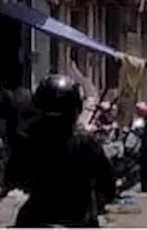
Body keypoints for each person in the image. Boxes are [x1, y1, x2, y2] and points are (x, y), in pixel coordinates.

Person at [9, 74, 115, 228]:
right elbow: (107, 183)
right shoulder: (86, 142)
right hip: (78, 218)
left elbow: (12, 177)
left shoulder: (29, 139)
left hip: (39, 217)